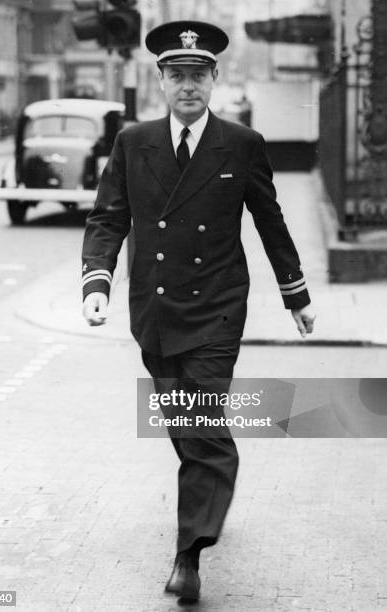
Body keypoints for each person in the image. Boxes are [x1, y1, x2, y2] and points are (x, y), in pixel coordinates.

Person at [81, 20, 316, 601]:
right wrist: (98, 281)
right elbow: (109, 216)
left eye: (198, 75)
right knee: (182, 421)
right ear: (160, 81)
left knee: (204, 423)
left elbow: (270, 220)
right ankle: (206, 501)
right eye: (177, 75)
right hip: (155, 309)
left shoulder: (241, 144)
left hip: (216, 307)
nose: (188, 86)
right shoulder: (133, 142)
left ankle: (189, 554)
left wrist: (296, 294)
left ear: (215, 79)